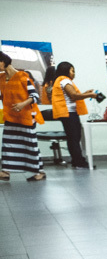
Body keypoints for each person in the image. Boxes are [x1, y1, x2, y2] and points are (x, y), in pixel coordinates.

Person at [0, 51, 46, 182]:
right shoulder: (2, 79)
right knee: (8, 143)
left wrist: (22, 104)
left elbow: (35, 96)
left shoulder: (23, 77)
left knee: (30, 144)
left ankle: (40, 172)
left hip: (26, 116)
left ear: (2, 62)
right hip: (11, 116)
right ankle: (5, 171)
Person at [50, 62, 100, 170]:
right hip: (69, 113)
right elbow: (74, 95)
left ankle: (76, 161)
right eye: (72, 71)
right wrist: (91, 95)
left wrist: (85, 93)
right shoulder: (65, 80)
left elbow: (72, 96)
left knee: (72, 138)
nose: (74, 73)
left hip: (66, 112)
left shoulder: (60, 80)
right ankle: (79, 162)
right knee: (74, 138)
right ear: (66, 70)